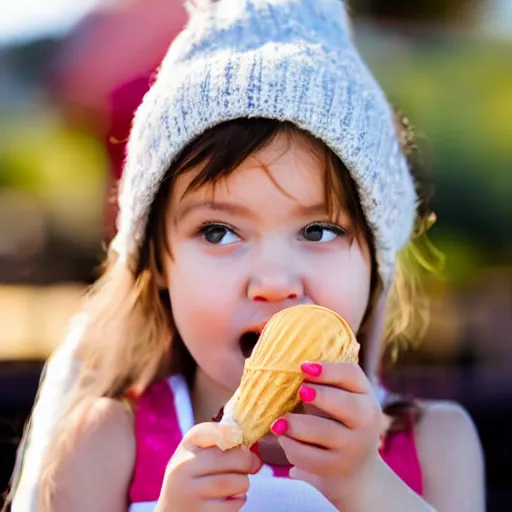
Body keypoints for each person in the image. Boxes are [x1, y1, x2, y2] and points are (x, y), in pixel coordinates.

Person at [8, 0, 484, 511]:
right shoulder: (108, 442)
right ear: (159, 262)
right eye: (218, 232)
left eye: (319, 230)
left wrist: (367, 485)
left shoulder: (433, 444)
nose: (274, 280)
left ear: (374, 264)